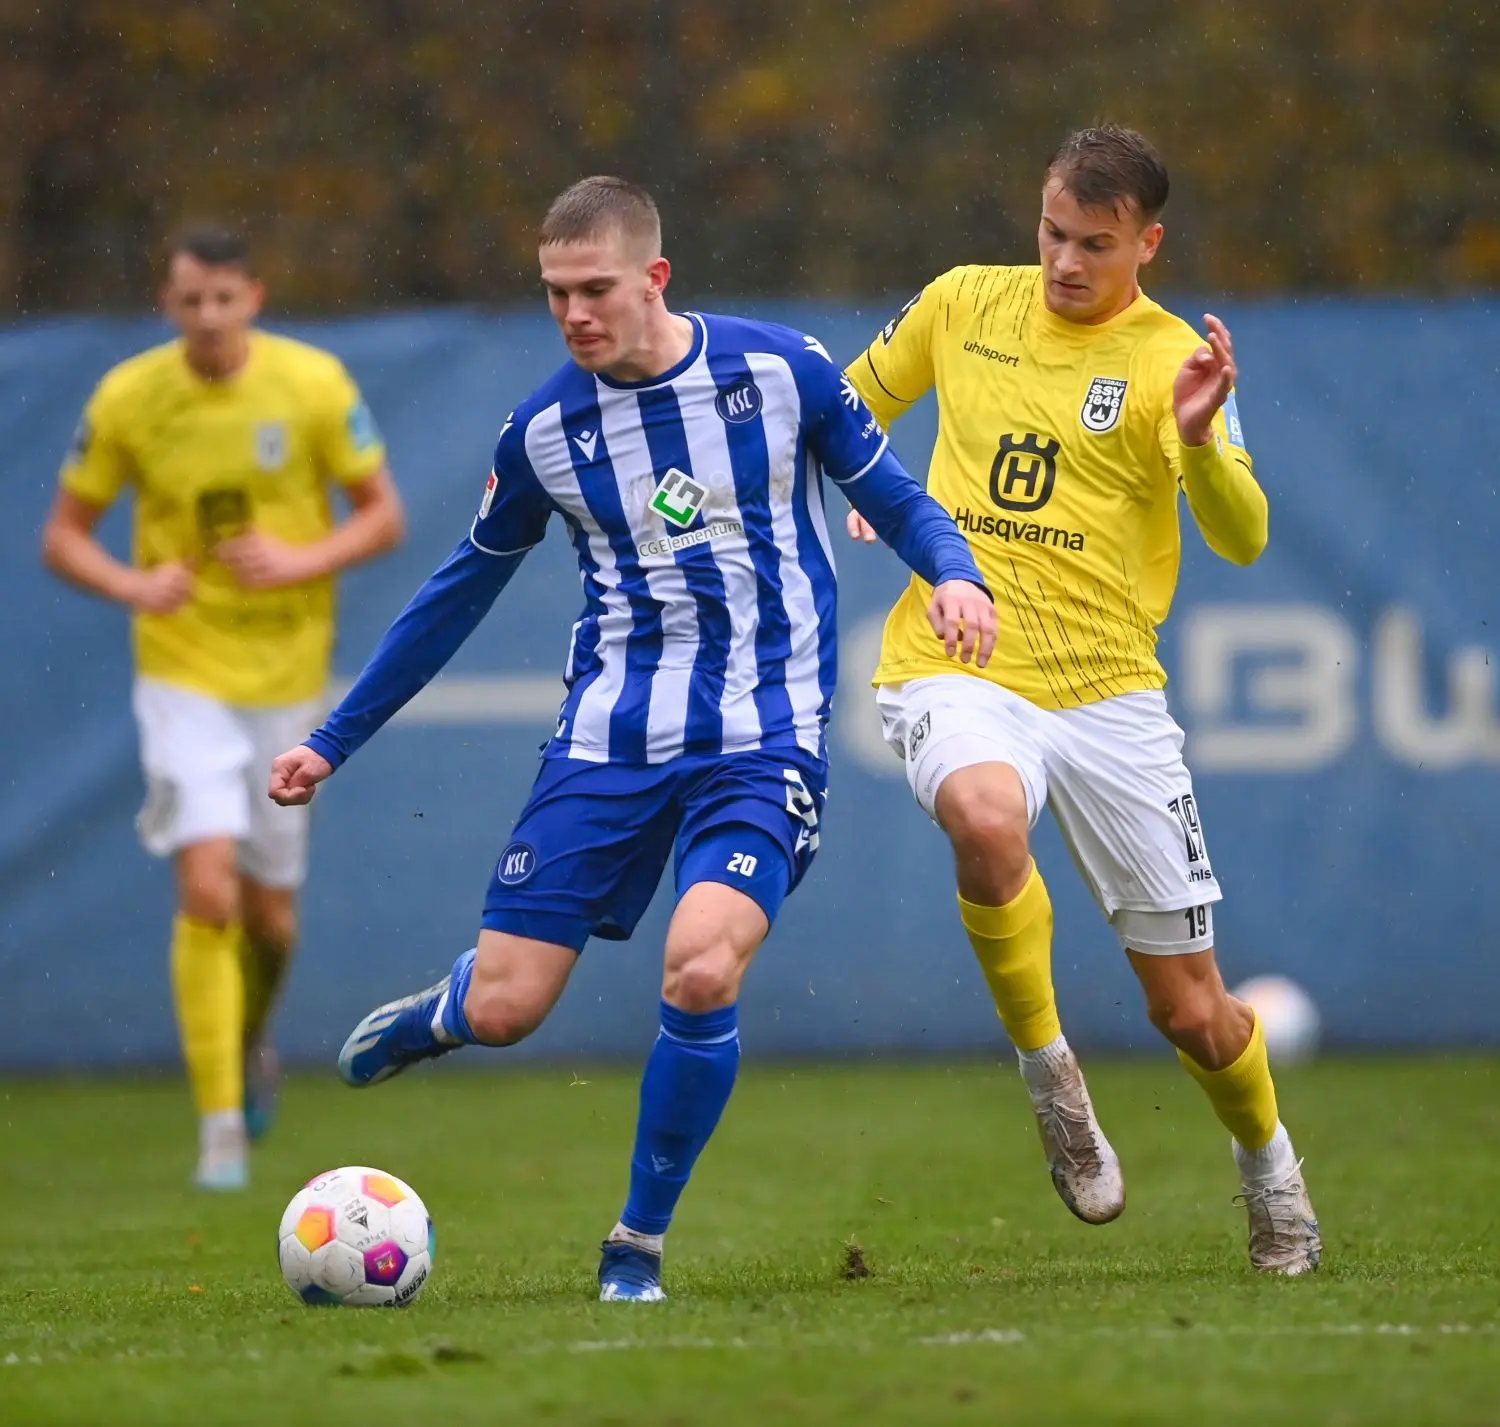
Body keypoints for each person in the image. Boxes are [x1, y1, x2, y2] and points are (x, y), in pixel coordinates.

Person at [267, 176, 996, 1302]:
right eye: (555, 292)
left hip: (765, 737)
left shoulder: (782, 370)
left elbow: (895, 494)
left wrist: (954, 571)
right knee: (511, 1009)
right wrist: (334, 738)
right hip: (610, 738)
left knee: (701, 966)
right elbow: (458, 591)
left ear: (654, 276)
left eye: (593, 287)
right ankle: (448, 1010)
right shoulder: (547, 430)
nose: (573, 313)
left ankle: (635, 1245)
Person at [843, 124, 1320, 1274]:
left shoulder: (1175, 361)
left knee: (1195, 1011)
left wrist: (1201, 440)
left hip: (1112, 695)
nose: (1065, 260)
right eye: (1054, 231)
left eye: (1095, 244)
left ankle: (1272, 1169)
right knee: (984, 813)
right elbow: (842, 402)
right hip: (963, 659)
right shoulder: (963, 302)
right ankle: (1050, 1074)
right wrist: (880, 491)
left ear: (1146, 244)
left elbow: (1245, 539)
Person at [41, 228, 406, 1191]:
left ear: (255, 295)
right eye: (189, 301)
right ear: (168, 304)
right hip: (182, 672)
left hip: (288, 677)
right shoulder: (129, 396)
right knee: (206, 888)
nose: (207, 318)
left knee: (270, 921)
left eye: (223, 299)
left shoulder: (314, 384)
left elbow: (383, 514)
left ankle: (250, 1042)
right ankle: (220, 1132)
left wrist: (302, 557)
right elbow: (63, 537)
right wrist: (132, 581)